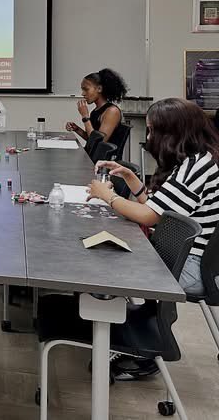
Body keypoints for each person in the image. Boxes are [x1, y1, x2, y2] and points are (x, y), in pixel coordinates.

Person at [88, 98, 219, 380]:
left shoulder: (196, 167)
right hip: (184, 255)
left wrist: (106, 195)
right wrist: (133, 181)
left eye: (152, 131)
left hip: (190, 266)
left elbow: (148, 216)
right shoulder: (196, 159)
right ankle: (118, 331)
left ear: (173, 132)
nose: (149, 138)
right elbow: (161, 209)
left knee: (104, 264)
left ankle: (133, 345)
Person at [65, 69, 129, 148]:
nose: (83, 94)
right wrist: (77, 129)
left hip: (104, 160)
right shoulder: (96, 111)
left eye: (86, 89)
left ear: (99, 89)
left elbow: (98, 143)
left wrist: (85, 117)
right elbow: (90, 138)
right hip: (94, 157)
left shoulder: (112, 111)